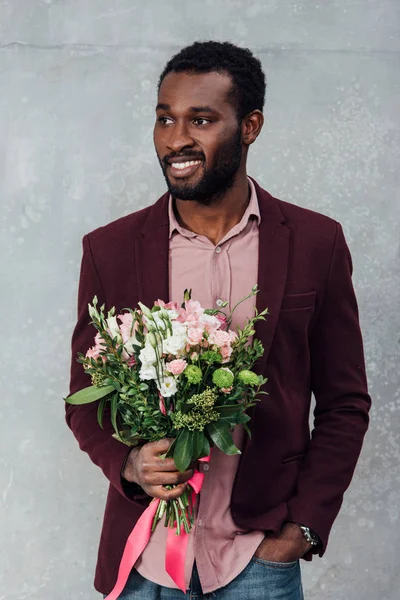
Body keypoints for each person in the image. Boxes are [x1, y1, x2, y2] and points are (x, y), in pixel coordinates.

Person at [66, 40, 371, 600]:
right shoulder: (108, 249)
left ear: (250, 126)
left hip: (257, 558)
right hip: (143, 559)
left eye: (200, 120)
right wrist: (129, 464)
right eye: (165, 118)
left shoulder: (315, 243)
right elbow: (84, 396)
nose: (176, 139)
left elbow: (345, 403)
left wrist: (302, 527)